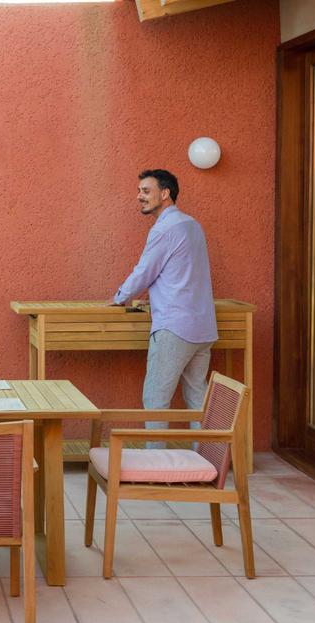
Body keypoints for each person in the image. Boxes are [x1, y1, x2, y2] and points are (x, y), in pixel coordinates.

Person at [107, 169, 218, 448]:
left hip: (174, 328)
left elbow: (145, 271)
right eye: (139, 191)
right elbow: (185, 274)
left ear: (164, 193)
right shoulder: (193, 225)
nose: (139, 196)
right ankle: (208, 464)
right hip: (202, 327)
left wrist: (119, 297)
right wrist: (155, 298)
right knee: (197, 396)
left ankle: (154, 465)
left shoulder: (164, 228)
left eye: (146, 191)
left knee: (156, 399)